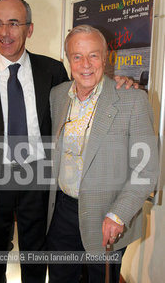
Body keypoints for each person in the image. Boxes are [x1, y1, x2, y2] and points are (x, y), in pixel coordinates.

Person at [0, 0, 135, 283]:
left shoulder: (52, 70)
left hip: (39, 177)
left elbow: (86, 89)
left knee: (36, 251)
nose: (4, 32)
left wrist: (119, 82)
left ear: (29, 29)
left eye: (13, 24)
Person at [47, 25, 159, 283]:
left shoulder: (132, 100)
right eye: (77, 56)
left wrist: (118, 214)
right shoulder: (58, 96)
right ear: (68, 59)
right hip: (62, 213)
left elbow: (147, 169)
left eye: (93, 55)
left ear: (106, 57)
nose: (85, 64)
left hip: (107, 215)